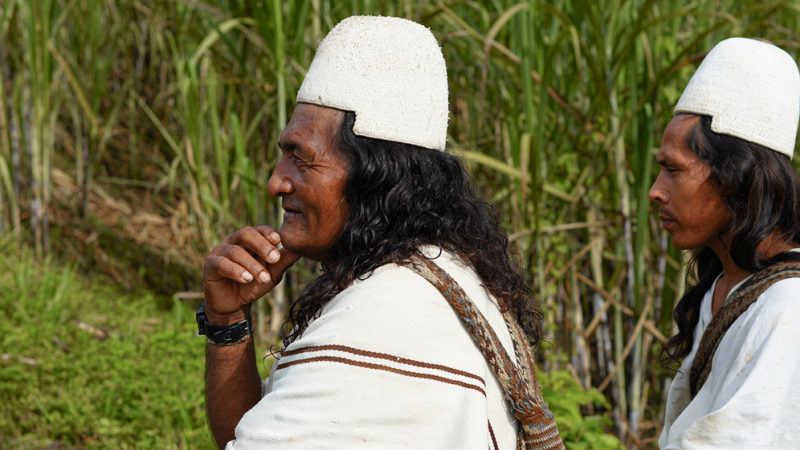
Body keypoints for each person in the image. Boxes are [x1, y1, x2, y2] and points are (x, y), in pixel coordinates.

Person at [199, 16, 563, 449]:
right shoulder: (435, 275)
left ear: (377, 174)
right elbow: (251, 435)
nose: (276, 183)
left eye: (302, 158)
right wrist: (227, 323)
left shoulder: (385, 318)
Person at [651, 37, 800, 448]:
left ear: (735, 177)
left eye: (673, 170)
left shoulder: (789, 305)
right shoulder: (725, 287)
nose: (656, 191)